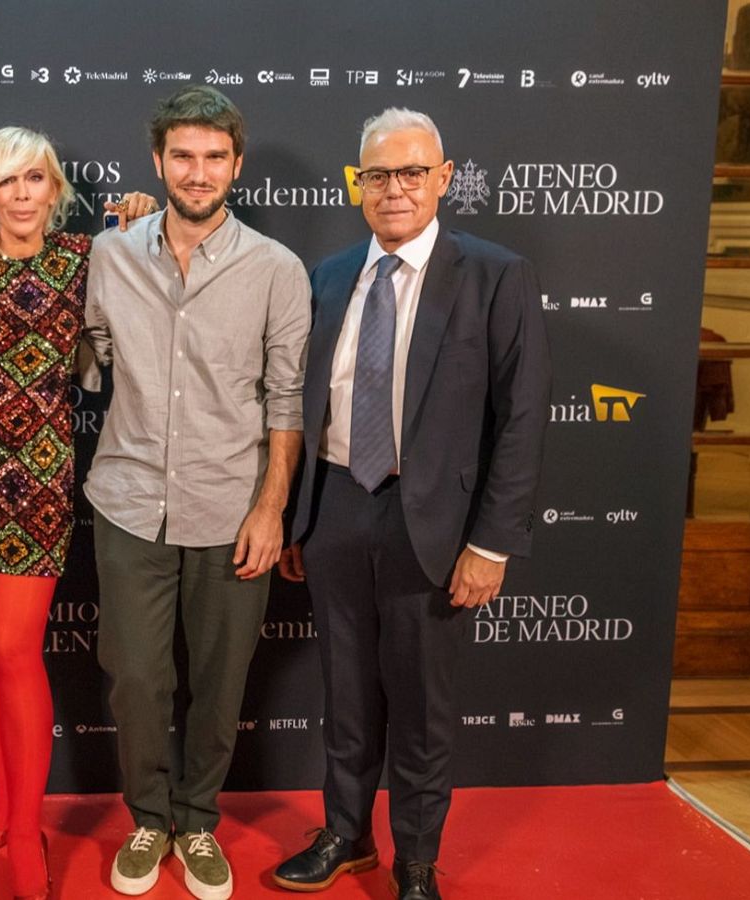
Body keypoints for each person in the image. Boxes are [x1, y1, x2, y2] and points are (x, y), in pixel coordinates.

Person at [271, 108, 550, 900]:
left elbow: (523, 418)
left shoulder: (494, 275)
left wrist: (491, 544)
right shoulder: (328, 277)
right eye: (378, 175)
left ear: (443, 178)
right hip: (335, 507)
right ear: (358, 183)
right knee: (345, 692)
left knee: (423, 707)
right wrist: (297, 519)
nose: (394, 189)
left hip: (435, 527)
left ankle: (417, 859)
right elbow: (304, 404)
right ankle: (346, 834)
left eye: (411, 173)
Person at [0, 126, 156, 900]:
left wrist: (137, 222)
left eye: (35, 179)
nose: (21, 194)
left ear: (55, 189)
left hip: (35, 483)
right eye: (7, 180)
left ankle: (24, 830)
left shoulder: (86, 259)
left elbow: (149, 299)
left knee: (15, 648)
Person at [83, 85, 311, 900]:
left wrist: (271, 507)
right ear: (158, 162)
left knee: (219, 684)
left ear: (236, 166)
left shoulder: (276, 269)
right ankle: (149, 818)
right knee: (137, 680)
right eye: (183, 155)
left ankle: (199, 820)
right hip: (128, 501)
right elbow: (84, 364)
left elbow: (287, 401)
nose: (198, 171)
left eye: (215, 157)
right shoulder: (108, 256)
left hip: (231, 509)